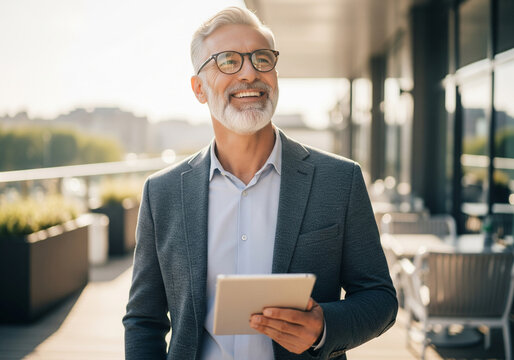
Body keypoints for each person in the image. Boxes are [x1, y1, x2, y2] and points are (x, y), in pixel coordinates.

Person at [123, 6, 397, 360]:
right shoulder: (162, 193)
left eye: (262, 58)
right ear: (199, 88)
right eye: (228, 61)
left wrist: (323, 327)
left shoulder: (339, 180)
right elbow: (144, 320)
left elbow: (380, 298)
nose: (250, 73)